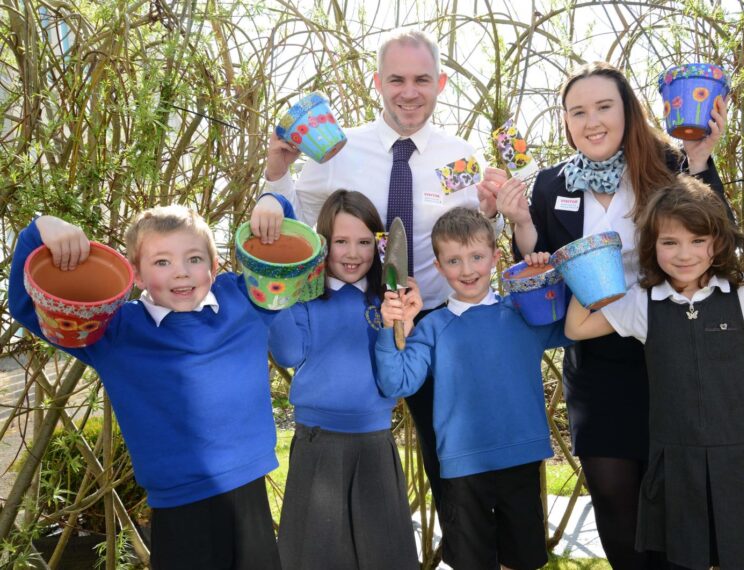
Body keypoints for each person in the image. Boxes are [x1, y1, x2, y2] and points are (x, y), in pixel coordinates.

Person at [252, 29, 501, 512]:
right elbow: (298, 223)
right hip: (354, 318)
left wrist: (491, 213)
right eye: (397, 79)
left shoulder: (463, 157)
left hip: (431, 320)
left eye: (422, 79)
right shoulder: (337, 150)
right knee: (351, 459)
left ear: (441, 83)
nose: (409, 92)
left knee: (454, 462)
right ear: (377, 82)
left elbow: (474, 236)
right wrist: (275, 172)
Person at [495, 61, 731, 569]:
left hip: (670, 360)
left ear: (627, 111)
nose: (592, 120)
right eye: (577, 111)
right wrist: (520, 226)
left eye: (604, 106)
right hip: (597, 366)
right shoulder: (549, 184)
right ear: (565, 121)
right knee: (617, 514)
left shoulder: (670, 164)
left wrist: (703, 160)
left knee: (677, 515)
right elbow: (543, 263)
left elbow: (718, 241)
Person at [564, 175, 744, 569]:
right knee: (684, 562)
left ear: (718, 243)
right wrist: (584, 272)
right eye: (669, 242)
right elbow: (577, 329)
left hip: (742, 460)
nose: (683, 254)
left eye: (697, 241)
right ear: (651, 246)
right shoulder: (643, 302)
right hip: (677, 464)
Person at [9, 198, 295, 569]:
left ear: (214, 265)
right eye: (162, 262)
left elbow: (288, 255)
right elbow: (26, 306)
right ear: (137, 275)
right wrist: (41, 227)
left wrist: (275, 203)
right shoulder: (113, 332)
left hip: (249, 493)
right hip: (178, 506)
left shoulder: (244, 300)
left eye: (194, 259)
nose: (181, 272)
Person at [376, 207, 571, 570]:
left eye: (477, 257)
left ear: (495, 257)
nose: (467, 270)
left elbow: (574, 326)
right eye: (454, 260)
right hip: (462, 469)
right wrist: (392, 328)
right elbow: (396, 382)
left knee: (521, 560)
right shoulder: (431, 328)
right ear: (438, 266)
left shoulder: (522, 313)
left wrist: (547, 274)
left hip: (521, 460)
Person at [268, 190, 419, 569]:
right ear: (324, 244)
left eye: (364, 242)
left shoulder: (385, 302)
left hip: (374, 441)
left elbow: (396, 381)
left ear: (380, 245)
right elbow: (286, 353)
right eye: (341, 242)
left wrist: (399, 324)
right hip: (318, 441)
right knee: (315, 556)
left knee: (383, 555)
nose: (353, 253)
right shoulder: (306, 300)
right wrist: (284, 288)